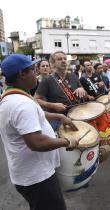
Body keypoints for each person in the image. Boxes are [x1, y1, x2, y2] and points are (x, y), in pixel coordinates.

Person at [0, 54, 79, 210]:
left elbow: (35, 115)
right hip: (37, 177)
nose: (36, 72)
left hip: (27, 174)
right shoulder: (21, 103)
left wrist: (58, 116)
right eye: (32, 69)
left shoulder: (12, 96)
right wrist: (67, 141)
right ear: (22, 74)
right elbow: (36, 142)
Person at [34, 51, 87, 130]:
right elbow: (36, 99)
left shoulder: (73, 76)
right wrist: (53, 105)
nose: (63, 61)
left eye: (65, 59)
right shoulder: (47, 80)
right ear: (53, 64)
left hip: (76, 116)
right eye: (59, 59)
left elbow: (85, 95)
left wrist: (82, 90)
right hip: (58, 120)